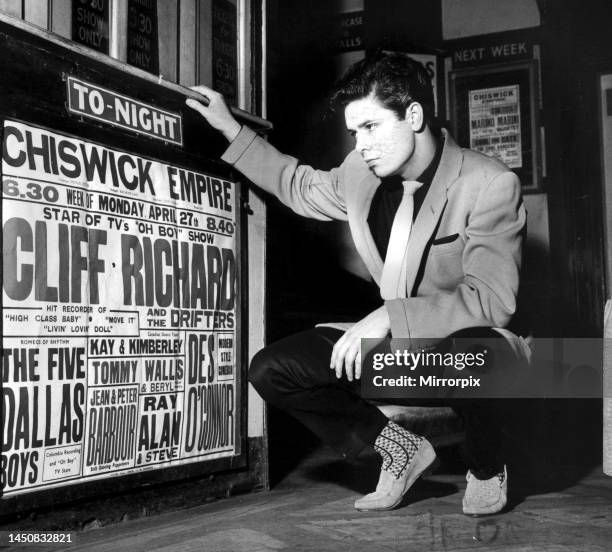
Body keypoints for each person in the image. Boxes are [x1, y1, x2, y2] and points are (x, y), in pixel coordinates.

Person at [186, 52, 527, 516]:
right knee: (272, 369)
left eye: (371, 127)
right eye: (354, 133)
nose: (361, 145)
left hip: (464, 356)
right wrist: (229, 127)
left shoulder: (488, 183)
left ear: (413, 115)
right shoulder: (360, 173)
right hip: (397, 355)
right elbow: (296, 184)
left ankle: (487, 467)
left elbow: (492, 300)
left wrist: (389, 315)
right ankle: (400, 451)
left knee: (485, 353)